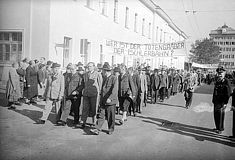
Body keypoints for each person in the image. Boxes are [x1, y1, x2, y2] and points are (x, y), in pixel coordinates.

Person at [90, 63, 118, 135]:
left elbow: (115, 90)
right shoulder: (104, 78)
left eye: (103, 71)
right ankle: (97, 128)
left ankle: (111, 129)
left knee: (110, 116)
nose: (102, 72)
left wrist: (110, 98)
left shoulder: (114, 78)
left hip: (110, 101)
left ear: (106, 71)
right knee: (101, 115)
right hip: (103, 100)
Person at [81, 62, 103, 128]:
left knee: (94, 108)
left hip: (94, 94)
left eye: (90, 66)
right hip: (86, 94)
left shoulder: (98, 74)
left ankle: (94, 122)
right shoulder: (85, 74)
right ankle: (83, 122)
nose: (89, 68)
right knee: (85, 108)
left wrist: (99, 93)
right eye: (88, 66)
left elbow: (100, 84)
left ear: (94, 67)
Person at [212, 66, 231, 134]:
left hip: (222, 101)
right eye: (219, 73)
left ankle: (220, 128)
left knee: (220, 115)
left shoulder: (226, 81)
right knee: (216, 115)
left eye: (221, 73)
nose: (220, 74)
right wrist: (213, 100)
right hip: (216, 101)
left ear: (224, 73)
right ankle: (217, 127)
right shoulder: (218, 80)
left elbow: (228, 93)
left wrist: (225, 103)